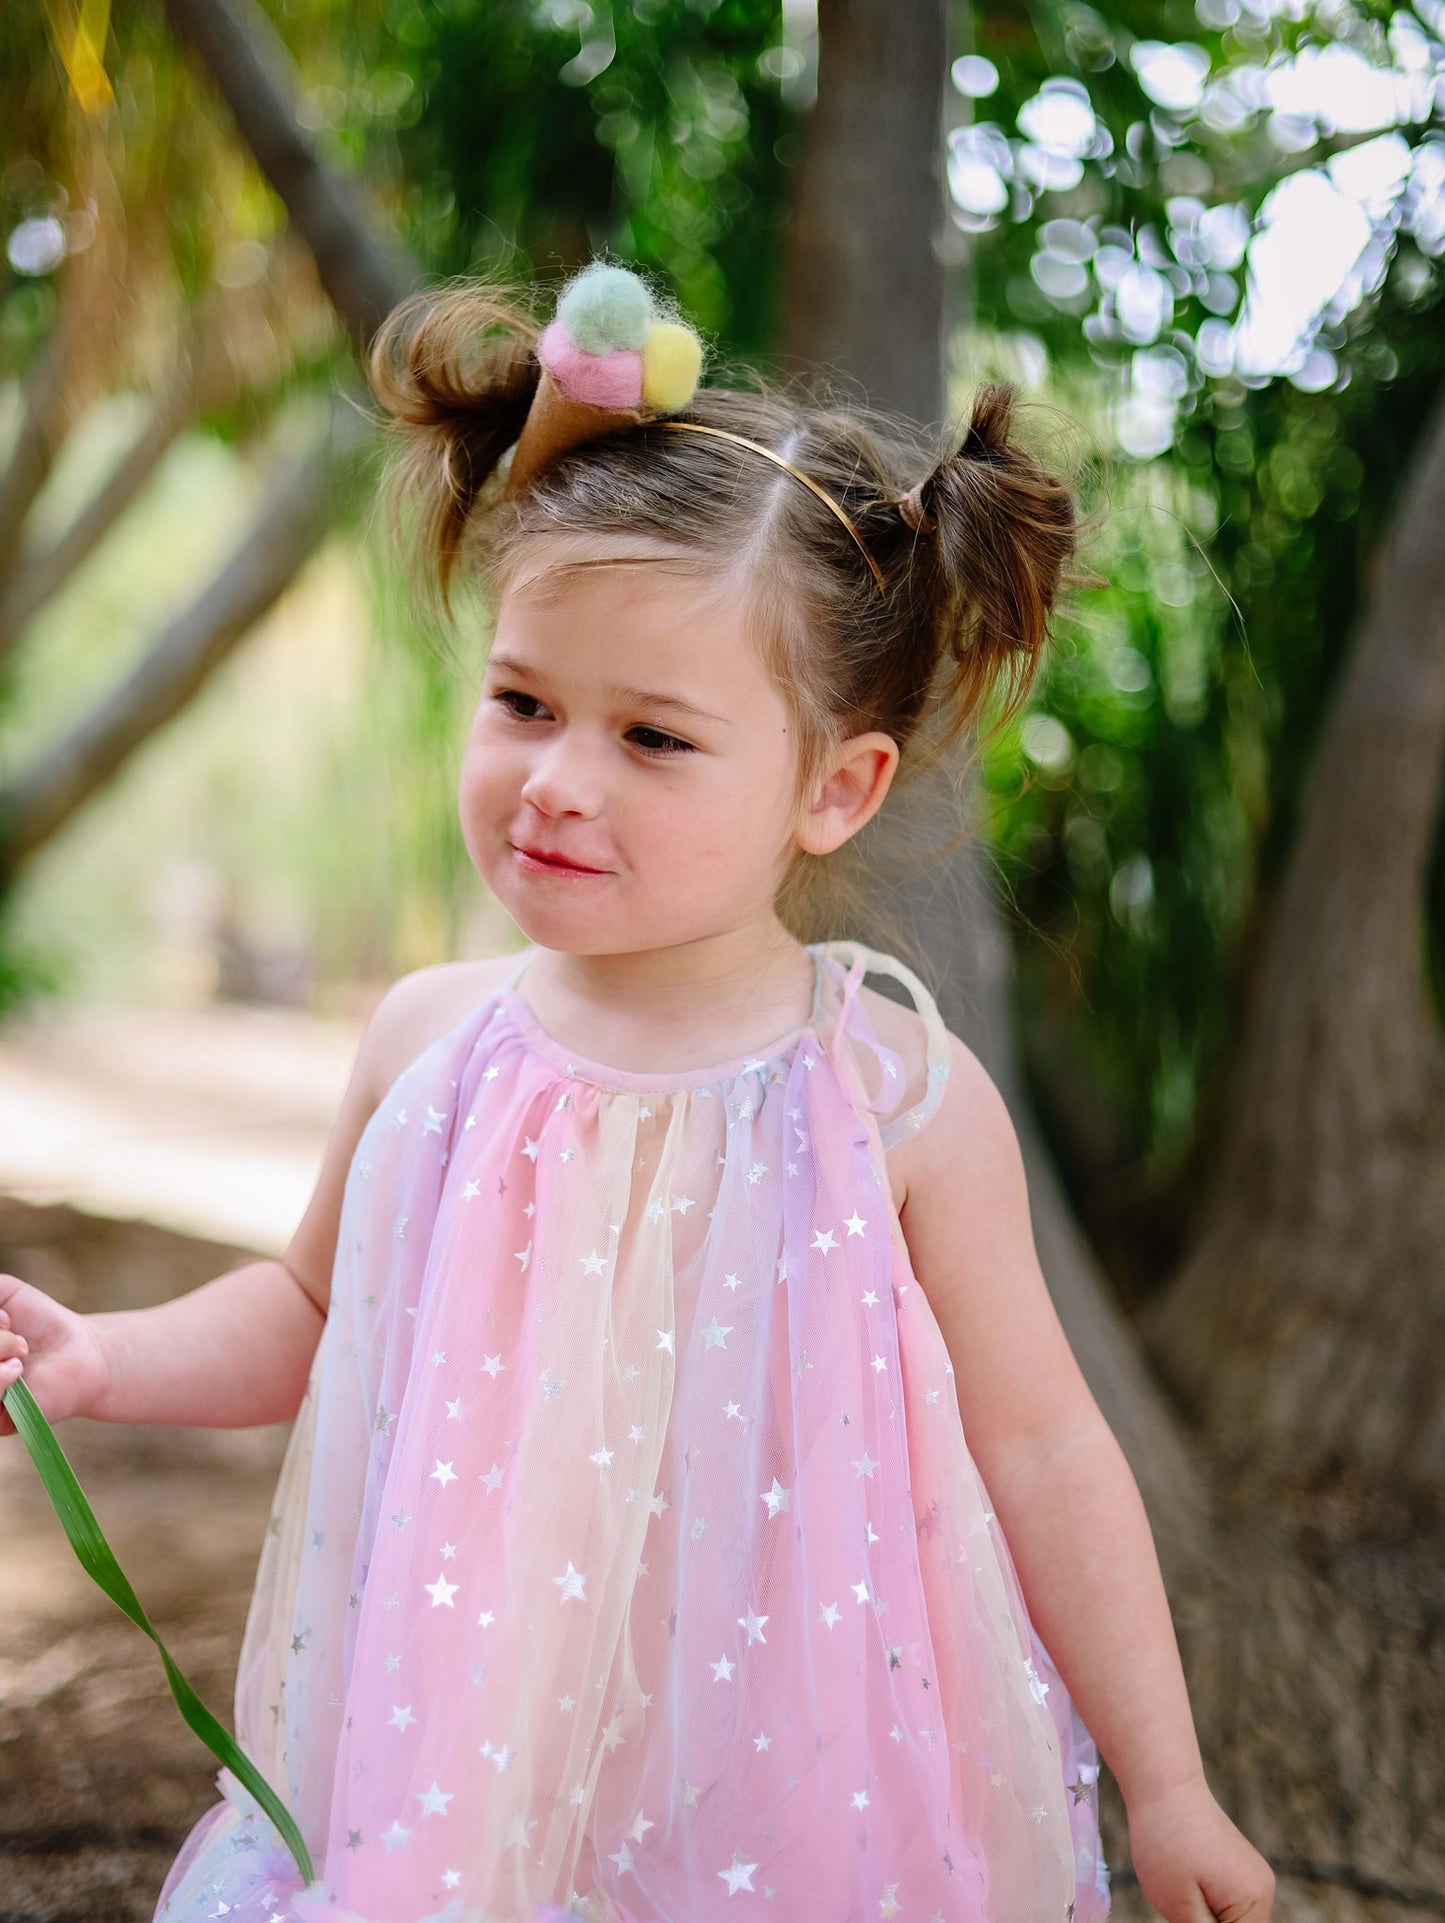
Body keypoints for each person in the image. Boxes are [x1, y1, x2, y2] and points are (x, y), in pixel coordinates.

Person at [0, 261, 1275, 1923]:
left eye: (654, 739)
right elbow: (308, 1304)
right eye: (522, 703)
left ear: (834, 786)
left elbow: (1038, 1446)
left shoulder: (891, 1096)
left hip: (784, 1789)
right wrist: (105, 1359)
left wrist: (1165, 1788)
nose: (555, 779)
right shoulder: (429, 1045)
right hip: (463, 1774)